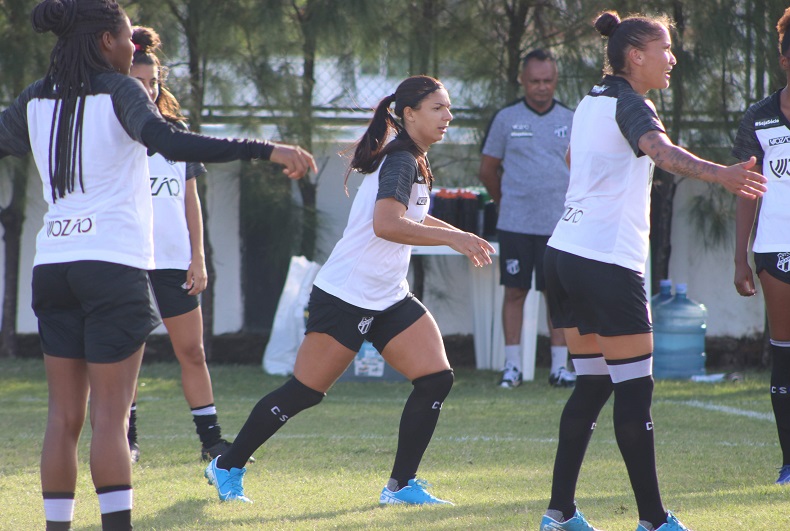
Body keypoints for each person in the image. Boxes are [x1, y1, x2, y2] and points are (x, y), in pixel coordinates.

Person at [0, 1, 315, 529]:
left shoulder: (33, 98)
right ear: (105, 40)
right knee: (110, 417)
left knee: (62, 418)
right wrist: (265, 149)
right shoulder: (120, 89)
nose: (133, 48)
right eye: (127, 38)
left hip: (52, 266)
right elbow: (170, 140)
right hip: (112, 267)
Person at [203, 75, 495, 505]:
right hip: (346, 295)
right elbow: (387, 224)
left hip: (388, 294)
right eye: (438, 108)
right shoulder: (401, 161)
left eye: (448, 108)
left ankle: (400, 487)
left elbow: (411, 215)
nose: (448, 116)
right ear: (410, 114)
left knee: (435, 379)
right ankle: (227, 464)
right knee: (305, 392)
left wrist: (459, 233)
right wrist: (455, 240)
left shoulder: (414, 157)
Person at [539, 10, 766, 531]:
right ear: (634, 55)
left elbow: (578, 159)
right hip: (606, 265)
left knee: (593, 386)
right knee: (635, 392)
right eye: (664, 49)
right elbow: (660, 152)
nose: (672, 59)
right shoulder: (632, 103)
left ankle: (560, 513)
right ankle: (654, 520)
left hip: (564, 255)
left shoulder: (590, 100)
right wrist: (724, 174)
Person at [125, 25, 238, 464]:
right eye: (137, 83)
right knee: (128, 353)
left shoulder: (175, 132)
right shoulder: (111, 130)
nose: (147, 91)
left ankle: (211, 443)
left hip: (174, 260)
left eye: (152, 83)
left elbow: (189, 198)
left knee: (192, 351)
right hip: (127, 259)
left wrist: (199, 257)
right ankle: (127, 438)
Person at [479, 49, 575, 389]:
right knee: (515, 292)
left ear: (556, 80)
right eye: (534, 81)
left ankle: (560, 369)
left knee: (557, 295)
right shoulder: (506, 118)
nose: (541, 87)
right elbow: (487, 169)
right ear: (522, 80)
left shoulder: (571, 118)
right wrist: (507, 204)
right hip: (516, 223)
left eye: (548, 81)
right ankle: (512, 367)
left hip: (559, 227)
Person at [733, 3, 790, 488]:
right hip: (777, 249)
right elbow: (745, 191)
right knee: (786, 353)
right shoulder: (759, 116)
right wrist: (740, 257)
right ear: (784, 59)